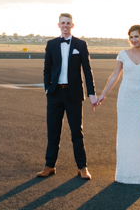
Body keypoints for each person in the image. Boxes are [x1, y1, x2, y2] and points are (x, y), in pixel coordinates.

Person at [95, 24, 140, 184]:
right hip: (126, 98)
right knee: (125, 134)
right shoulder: (123, 54)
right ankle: (125, 172)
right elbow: (115, 75)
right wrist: (103, 95)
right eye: (131, 37)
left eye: (136, 36)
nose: (133, 40)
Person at [39, 13, 98, 179]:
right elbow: (47, 69)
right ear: (59, 25)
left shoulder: (81, 44)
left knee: (77, 133)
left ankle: (82, 167)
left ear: (72, 25)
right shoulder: (51, 44)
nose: (65, 25)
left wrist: (91, 93)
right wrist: (47, 89)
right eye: (63, 23)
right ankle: (49, 166)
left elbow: (87, 70)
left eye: (68, 23)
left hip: (73, 95)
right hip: (55, 94)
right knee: (53, 131)